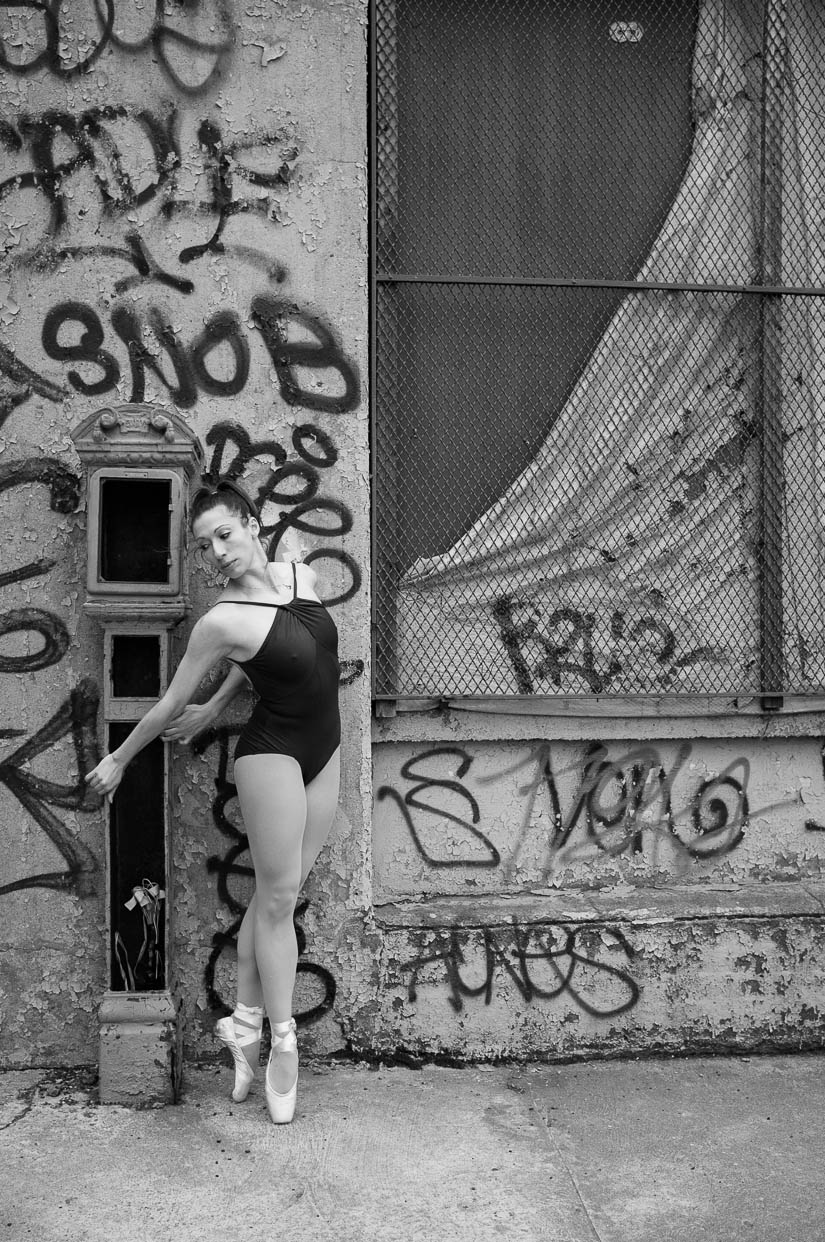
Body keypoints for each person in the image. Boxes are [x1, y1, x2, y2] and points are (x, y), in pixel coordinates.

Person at [85, 478, 341, 1124]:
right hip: (272, 754)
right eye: (204, 547)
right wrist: (120, 758)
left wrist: (218, 704)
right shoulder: (217, 620)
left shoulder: (300, 575)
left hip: (325, 750)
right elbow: (170, 701)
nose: (217, 553)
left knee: (272, 898)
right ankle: (282, 1043)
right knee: (279, 900)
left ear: (252, 525)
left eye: (224, 535)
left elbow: (267, 654)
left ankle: (242, 1023)